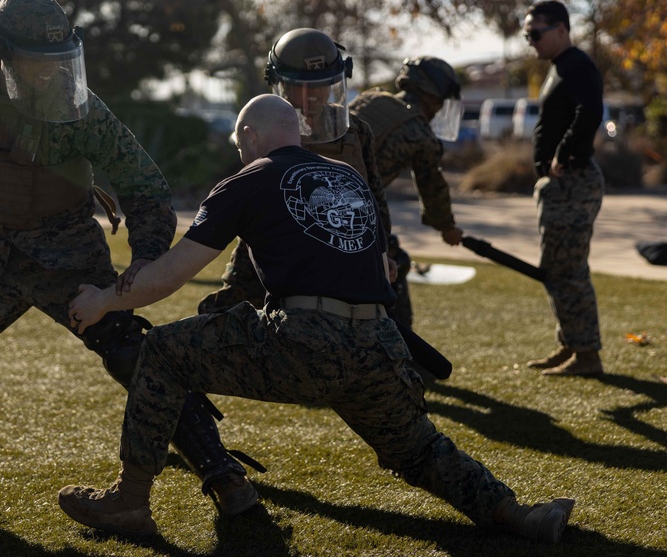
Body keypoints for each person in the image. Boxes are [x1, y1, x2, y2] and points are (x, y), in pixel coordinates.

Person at [57, 94, 575, 543]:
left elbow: (169, 275)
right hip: (379, 343)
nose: (240, 153)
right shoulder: (347, 177)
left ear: (249, 134)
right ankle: (519, 514)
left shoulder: (249, 179)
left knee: (163, 353)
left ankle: (129, 501)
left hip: (305, 341)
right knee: (418, 449)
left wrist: (103, 301)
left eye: (241, 144)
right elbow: (379, 266)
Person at [0, 0, 258, 514]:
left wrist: (146, 255)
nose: (46, 72)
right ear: (1, 54)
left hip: (66, 252)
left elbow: (144, 183)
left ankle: (223, 473)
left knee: (130, 349)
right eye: (33, 60)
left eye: (55, 59)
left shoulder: (80, 106)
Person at [196, 28, 393, 315]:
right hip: (274, 240)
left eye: (319, 86)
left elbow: (374, 195)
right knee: (226, 310)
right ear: (281, 87)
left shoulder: (357, 132)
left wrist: (381, 252)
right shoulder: (264, 129)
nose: (310, 96)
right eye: (300, 87)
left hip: (342, 243)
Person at [521, 0, 605, 376]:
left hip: (573, 182)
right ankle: (571, 344)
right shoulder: (559, 69)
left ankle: (587, 355)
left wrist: (565, 152)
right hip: (560, 186)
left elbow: (590, 111)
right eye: (527, 35)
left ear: (560, 29)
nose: (530, 41)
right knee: (557, 269)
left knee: (567, 270)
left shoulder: (577, 66)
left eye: (535, 33)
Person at [351, 56, 465, 329]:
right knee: (395, 262)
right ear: (433, 95)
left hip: (315, 197)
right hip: (353, 212)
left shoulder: (371, 100)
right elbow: (432, 188)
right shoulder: (418, 131)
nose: (439, 110)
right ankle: (403, 353)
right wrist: (448, 228)